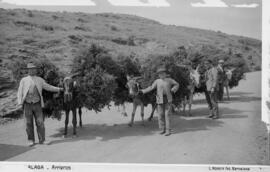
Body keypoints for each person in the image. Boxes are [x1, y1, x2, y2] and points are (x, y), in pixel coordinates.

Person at [17, 62, 63, 146]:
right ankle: (31, 140)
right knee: (28, 123)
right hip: (27, 104)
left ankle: (42, 140)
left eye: (34, 69)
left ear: (36, 70)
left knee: (40, 122)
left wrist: (59, 89)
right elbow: (20, 92)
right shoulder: (24, 80)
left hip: (37, 104)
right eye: (31, 69)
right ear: (28, 70)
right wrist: (20, 103)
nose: (32, 70)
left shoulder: (39, 79)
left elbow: (48, 87)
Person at [139, 67, 179, 136]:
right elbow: (151, 87)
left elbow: (177, 84)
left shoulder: (169, 80)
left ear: (166, 74)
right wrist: (143, 91)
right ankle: (162, 129)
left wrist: (173, 89)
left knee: (167, 115)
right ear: (158, 75)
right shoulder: (157, 81)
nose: (161, 75)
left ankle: (168, 130)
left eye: (163, 73)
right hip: (159, 100)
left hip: (168, 99)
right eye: (160, 74)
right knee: (160, 115)